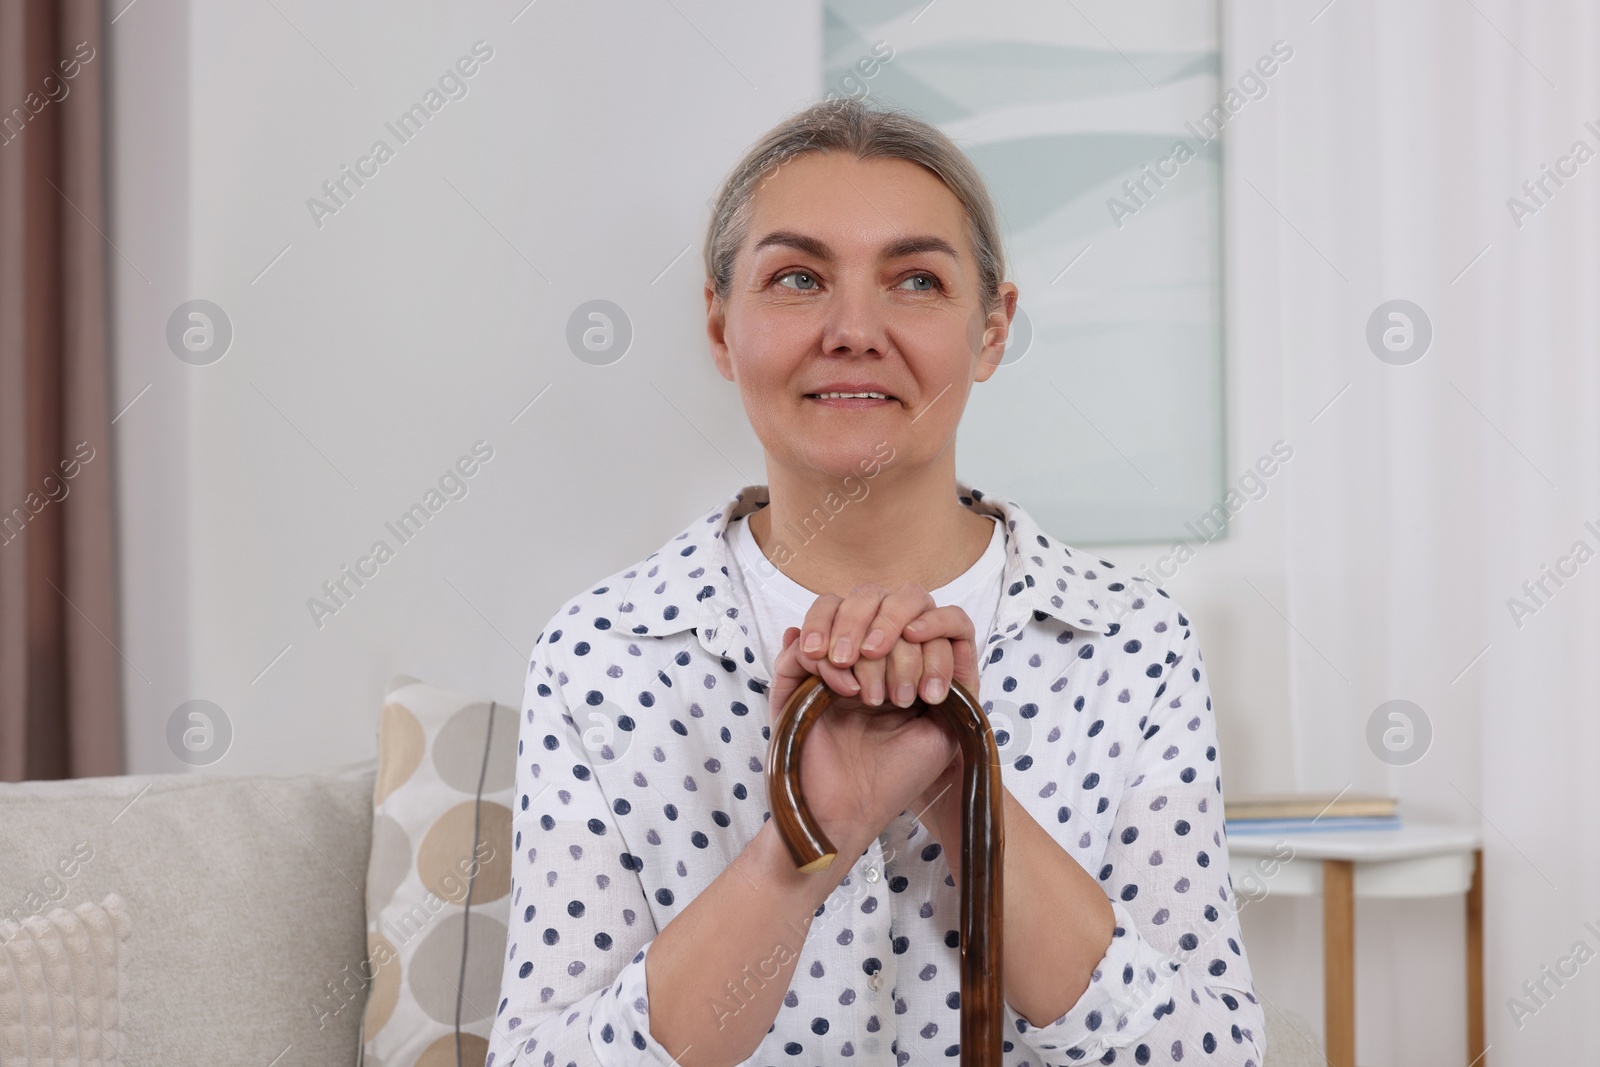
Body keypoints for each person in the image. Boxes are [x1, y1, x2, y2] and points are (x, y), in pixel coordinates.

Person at [486, 97, 1263, 1067]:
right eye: (799, 277)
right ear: (720, 326)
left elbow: (1213, 1054)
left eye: (915, 280)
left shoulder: (1132, 641)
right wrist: (808, 838)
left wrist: (962, 783)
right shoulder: (601, 652)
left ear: (990, 329)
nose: (853, 328)